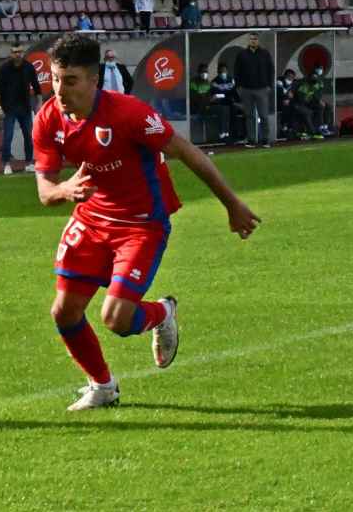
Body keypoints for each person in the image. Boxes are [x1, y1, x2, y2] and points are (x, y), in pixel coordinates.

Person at [31, 34, 260, 410]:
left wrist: (231, 204)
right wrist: (63, 190)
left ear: (94, 80)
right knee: (64, 311)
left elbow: (186, 152)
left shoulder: (129, 114)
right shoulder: (47, 119)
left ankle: (163, 313)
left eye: (70, 81)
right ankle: (102, 386)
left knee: (116, 319)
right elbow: (44, 190)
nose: (59, 89)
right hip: (91, 220)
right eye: (55, 79)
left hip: (141, 224)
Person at [0, 44, 41, 175]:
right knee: (7, 137)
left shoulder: (29, 67)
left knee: (29, 136)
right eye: (15, 52)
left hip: (25, 107)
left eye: (19, 52)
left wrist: (39, 104)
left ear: (23, 52)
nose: (17, 54)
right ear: (11, 54)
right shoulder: (4, 69)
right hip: (8, 108)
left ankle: (29, 163)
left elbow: (37, 87)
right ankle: (7, 164)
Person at [233, 33, 274, 147]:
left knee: (263, 115)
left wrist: (269, 86)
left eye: (255, 39)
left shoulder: (265, 53)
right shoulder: (242, 54)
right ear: (248, 41)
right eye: (251, 39)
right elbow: (237, 71)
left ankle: (265, 139)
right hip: (246, 89)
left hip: (262, 89)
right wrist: (238, 87)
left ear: (258, 40)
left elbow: (271, 70)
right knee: (249, 115)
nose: (253, 41)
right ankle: (251, 140)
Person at [292, 66, 327, 140]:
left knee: (320, 107)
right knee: (308, 112)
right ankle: (312, 132)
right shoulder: (303, 84)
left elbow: (314, 96)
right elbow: (301, 98)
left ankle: (320, 127)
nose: (314, 79)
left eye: (316, 78)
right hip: (297, 104)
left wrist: (318, 101)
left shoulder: (315, 84)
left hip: (307, 103)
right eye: (313, 77)